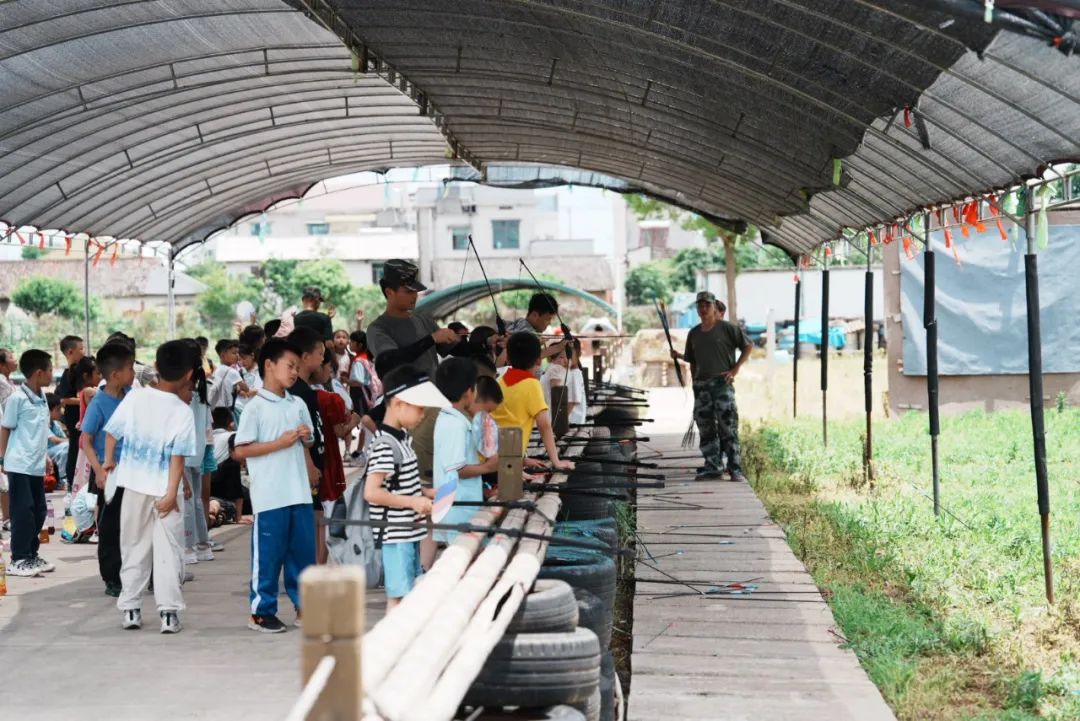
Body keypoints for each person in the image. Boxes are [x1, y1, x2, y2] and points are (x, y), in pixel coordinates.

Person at [103, 339, 198, 634]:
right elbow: (177, 458)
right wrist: (172, 493)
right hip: (163, 489)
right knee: (168, 550)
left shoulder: (135, 397)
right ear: (189, 375)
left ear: (156, 367)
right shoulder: (182, 411)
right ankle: (168, 614)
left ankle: (130, 608)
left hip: (133, 485)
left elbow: (112, 433)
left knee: (133, 545)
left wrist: (108, 463)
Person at [233, 338, 317, 634]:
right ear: (269, 365)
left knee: (304, 554)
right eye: (289, 366)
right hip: (270, 496)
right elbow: (240, 450)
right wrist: (278, 444)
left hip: (299, 493)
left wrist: (306, 438)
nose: (294, 372)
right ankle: (261, 611)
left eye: (297, 367)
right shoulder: (255, 407)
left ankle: (305, 607)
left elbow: (310, 441)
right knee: (268, 557)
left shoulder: (298, 403)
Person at [363, 365, 448, 611]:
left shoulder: (404, 440)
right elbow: (372, 492)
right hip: (396, 535)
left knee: (409, 592)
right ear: (400, 403)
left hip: (410, 532)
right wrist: (413, 503)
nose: (423, 415)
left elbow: (402, 483)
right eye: (420, 408)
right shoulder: (385, 445)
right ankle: (392, 644)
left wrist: (426, 493)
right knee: (398, 597)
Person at [670, 292, 753, 482]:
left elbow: (748, 345)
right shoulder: (694, 333)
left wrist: (735, 369)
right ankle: (713, 466)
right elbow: (692, 360)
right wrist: (693, 381)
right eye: (700, 305)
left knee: (728, 427)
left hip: (721, 385)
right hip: (701, 387)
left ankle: (735, 469)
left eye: (707, 304)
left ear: (715, 307)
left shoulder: (727, 329)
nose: (703, 308)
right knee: (706, 428)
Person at [80, 342, 136, 595]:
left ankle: (137, 572)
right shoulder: (99, 403)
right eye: (130, 368)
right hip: (111, 474)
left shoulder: (132, 396)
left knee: (135, 525)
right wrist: (100, 471)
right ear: (115, 374)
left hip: (136, 472)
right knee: (111, 526)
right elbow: (86, 441)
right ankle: (112, 578)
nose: (133, 373)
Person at [0, 349, 55, 577]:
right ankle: (19, 558)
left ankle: (31, 555)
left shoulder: (42, 396)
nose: (52, 374)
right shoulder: (17, 398)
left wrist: (46, 456)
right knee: (23, 512)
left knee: (39, 511)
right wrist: (2, 458)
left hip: (35, 464)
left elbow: (40, 431)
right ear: (39, 372)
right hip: (19, 463)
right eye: (50, 370)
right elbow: (5, 428)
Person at [432, 359, 498, 544]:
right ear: (469, 392)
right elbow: (457, 469)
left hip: (462, 505)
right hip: (457, 509)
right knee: (463, 555)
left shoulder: (455, 419)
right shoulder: (453, 424)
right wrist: (488, 467)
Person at [491, 333, 575, 472]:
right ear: (538, 361)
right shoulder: (531, 384)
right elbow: (545, 425)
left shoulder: (500, 381)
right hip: (506, 464)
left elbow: (504, 422)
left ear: (508, 359)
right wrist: (556, 461)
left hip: (493, 458)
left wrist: (523, 460)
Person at [367, 258, 459, 378]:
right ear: (389, 292)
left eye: (415, 291)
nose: (414, 296)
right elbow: (389, 361)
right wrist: (431, 339)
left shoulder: (424, 321)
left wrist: (483, 341)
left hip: (433, 394)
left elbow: (457, 350)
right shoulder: (377, 328)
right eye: (408, 291)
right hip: (402, 396)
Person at [313, 349, 359, 563]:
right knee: (324, 518)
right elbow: (340, 431)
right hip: (328, 460)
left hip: (307, 462)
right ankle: (319, 565)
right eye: (329, 368)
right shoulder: (329, 398)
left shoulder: (293, 396)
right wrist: (355, 421)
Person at [286, 327, 326, 504]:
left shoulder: (305, 388)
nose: (323, 359)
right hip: (305, 467)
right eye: (320, 353)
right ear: (305, 356)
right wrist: (309, 464)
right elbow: (298, 430)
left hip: (315, 461)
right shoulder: (296, 391)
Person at [181, 352, 214, 565]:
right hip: (199, 453)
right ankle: (203, 544)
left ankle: (189, 547)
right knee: (198, 501)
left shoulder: (185, 397)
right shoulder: (202, 396)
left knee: (188, 502)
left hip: (184, 453)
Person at [210, 407, 249, 525]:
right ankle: (214, 511)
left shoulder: (208, 436)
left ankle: (214, 514)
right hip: (223, 497)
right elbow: (237, 491)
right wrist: (239, 517)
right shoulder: (234, 436)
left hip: (210, 487)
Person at [55, 335, 85, 488]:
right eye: (81, 349)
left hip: (80, 416)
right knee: (75, 447)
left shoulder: (79, 370)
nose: (83, 352)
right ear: (71, 352)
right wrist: (84, 399)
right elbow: (63, 398)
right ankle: (73, 481)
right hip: (74, 417)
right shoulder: (68, 374)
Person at [506, 293, 568, 362]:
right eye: (547, 319)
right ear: (535, 315)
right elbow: (527, 356)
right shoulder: (528, 333)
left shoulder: (520, 322)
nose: (549, 323)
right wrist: (559, 347)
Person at [471, 375, 503, 498]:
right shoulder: (463, 424)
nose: (487, 416)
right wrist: (485, 491)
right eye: (487, 411)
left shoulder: (480, 422)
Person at [208, 339, 248, 411]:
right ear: (223, 355)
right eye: (234, 353)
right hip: (226, 409)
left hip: (215, 408)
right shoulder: (232, 371)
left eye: (238, 353)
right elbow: (246, 389)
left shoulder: (217, 370)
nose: (237, 356)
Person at [0, 348, 15, 532]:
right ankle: (7, 518)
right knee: (3, 478)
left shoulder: (7, 382)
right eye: (11, 357)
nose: (15, 359)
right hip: (4, 433)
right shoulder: (2, 383)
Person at [233, 343, 262, 424]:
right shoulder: (240, 371)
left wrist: (251, 393)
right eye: (239, 360)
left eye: (244, 358)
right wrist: (240, 391)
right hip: (241, 406)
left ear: (252, 355)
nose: (242, 362)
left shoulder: (261, 370)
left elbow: (263, 390)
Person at [46, 393, 69, 489]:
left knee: (69, 447)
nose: (61, 412)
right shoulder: (42, 422)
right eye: (58, 409)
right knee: (67, 447)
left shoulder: (55, 424)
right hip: (45, 453)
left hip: (55, 452)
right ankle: (62, 479)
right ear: (48, 411)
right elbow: (55, 440)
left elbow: (63, 439)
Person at [567, 340, 587, 426]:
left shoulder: (575, 374)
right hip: (573, 420)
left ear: (579, 354)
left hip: (574, 421)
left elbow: (573, 401)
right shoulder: (571, 373)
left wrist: (561, 420)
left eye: (570, 355)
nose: (567, 358)